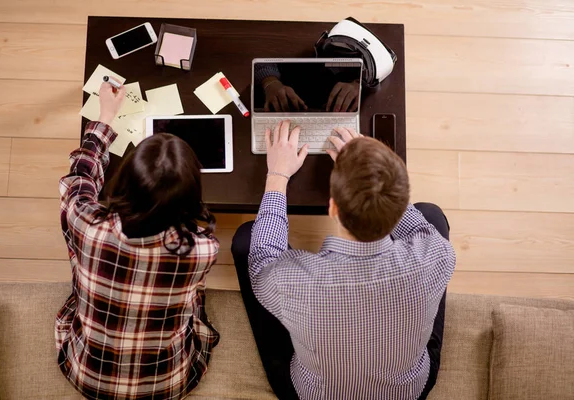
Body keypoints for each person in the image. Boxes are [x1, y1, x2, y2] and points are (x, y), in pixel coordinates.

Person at [232, 121, 456, 399]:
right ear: (400, 203)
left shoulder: (293, 282)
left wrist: (277, 174)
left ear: (333, 207)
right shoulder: (437, 255)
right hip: (408, 391)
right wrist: (370, 176)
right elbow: (418, 226)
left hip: (315, 394)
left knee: (247, 238)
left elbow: (262, 258)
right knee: (431, 215)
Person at [55, 79, 220, 400]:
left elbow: (79, 176)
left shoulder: (85, 221)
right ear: (191, 198)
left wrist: (104, 118)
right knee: (196, 299)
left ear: (124, 180)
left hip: (85, 375)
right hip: (167, 386)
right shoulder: (202, 249)